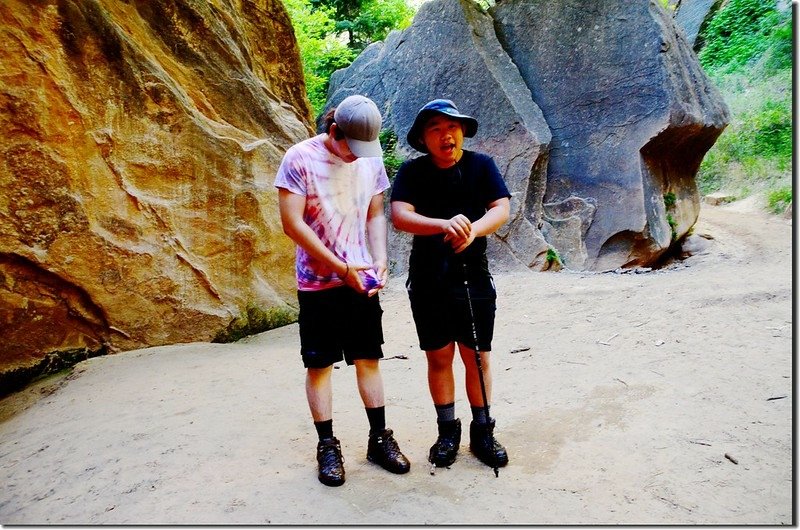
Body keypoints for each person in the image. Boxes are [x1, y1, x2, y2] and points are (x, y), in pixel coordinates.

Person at [275, 94, 410, 487]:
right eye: (351, 146)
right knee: (319, 365)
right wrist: (339, 267)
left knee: (369, 358)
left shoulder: (369, 159)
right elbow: (292, 224)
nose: (358, 156)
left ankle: (378, 438)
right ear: (334, 131)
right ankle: (327, 445)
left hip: (361, 279)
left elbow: (374, 213)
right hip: (318, 283)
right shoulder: (299, 159)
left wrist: (380, 259)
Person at [390, 99, 510, 471]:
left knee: (477, 356)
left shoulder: (481, 166)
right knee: (438, 356)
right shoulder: (413, 172)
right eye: (436, 129)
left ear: (463, 131)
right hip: (428, 277)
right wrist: (443, 224)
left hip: (473, 276)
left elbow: (500, 208)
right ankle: (447, 431)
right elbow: (400, 215)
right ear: (424, 139)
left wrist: (473, 230)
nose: (447, 135)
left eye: (453, 127)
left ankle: (483, 430)